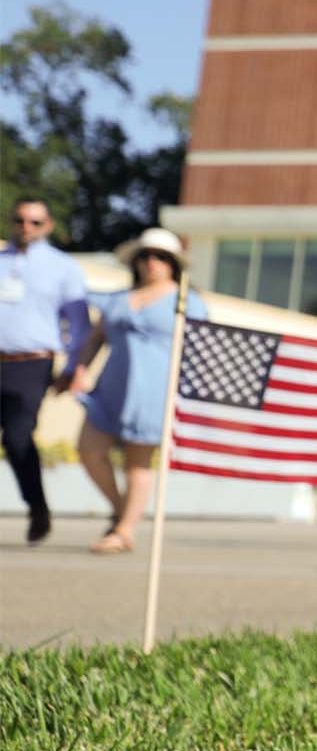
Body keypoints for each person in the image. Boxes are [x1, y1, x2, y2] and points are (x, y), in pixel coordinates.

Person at [71, 227, 206, 555]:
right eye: (145, 256)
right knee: (89, 449)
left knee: (137, 463)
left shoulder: (187, 301)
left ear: (173, 263)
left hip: (154, 390)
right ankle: (120, 509)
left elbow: (199, 349)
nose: (151, 263)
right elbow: (95, 339)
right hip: (112, 385)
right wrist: (80, 369)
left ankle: (124, 531)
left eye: (160, 257)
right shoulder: (119, 298)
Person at [1, 197, 89, 544]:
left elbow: (79, 325)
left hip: (32, 364)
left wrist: (73, 367)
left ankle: (37, 507)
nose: (26, 227)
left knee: (18, 439)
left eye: (35, 222)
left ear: (48, 225)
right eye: (20, 220)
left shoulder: (62, 267)